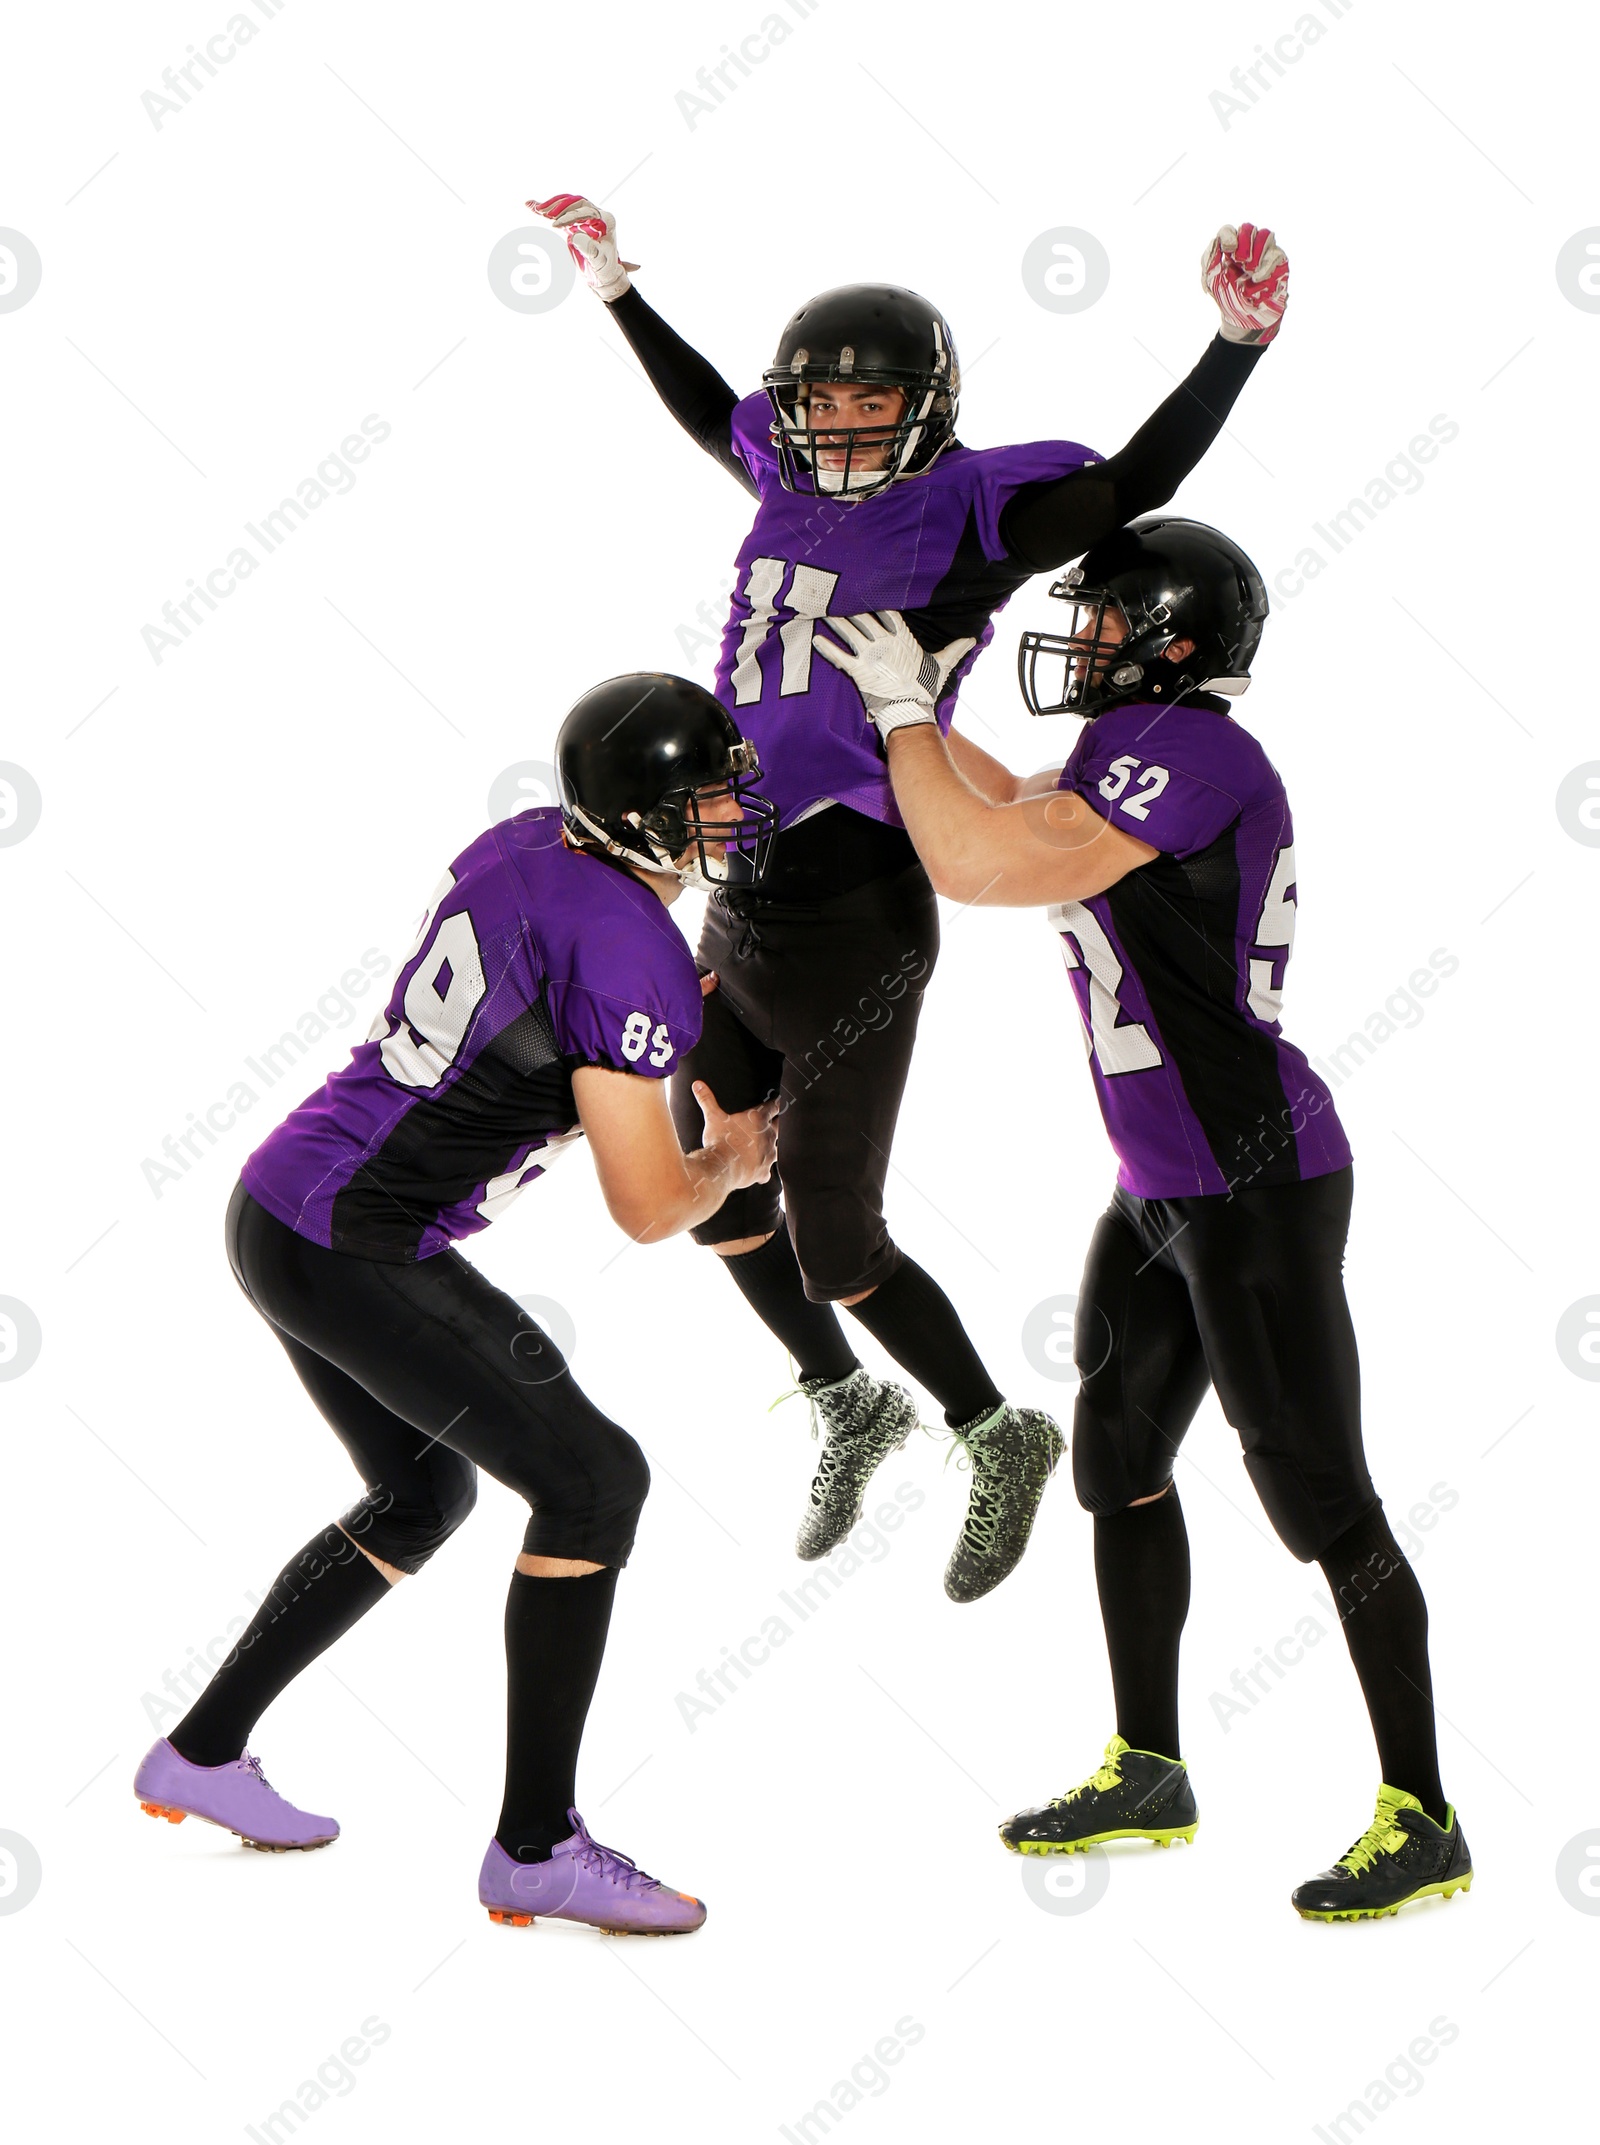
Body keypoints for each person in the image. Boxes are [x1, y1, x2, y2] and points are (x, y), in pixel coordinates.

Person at [527, 193, 1288, 1603]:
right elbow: (714, 415)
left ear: (927, 410)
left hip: (855, 901)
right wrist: (621, 295)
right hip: (741, 881)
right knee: (712, 1168)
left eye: (873, 402)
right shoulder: (784, 470)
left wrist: (1233, 349)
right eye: (823, 400)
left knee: (835, 1239)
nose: (844, 424)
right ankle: (845, 1397)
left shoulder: (967, 510)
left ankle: (991, 1429)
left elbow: (1123, 485)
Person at [813, 520, 1472, 1922]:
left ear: (1171, 630)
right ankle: (1150, 1767)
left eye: (1107, 617)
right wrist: (913, 719)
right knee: (1117, 1464)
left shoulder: (1193, 750)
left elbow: (988, 864)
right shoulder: (1136, 751)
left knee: (1319, 1496)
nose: (1085, 638)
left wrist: (904, 715)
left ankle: (1424, 1815)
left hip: (1252, 1183)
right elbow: (1000, 804)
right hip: (1164, 1182)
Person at [132, 675, 780, 1936]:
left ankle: (200, 1756)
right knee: (596, 1483)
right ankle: (535, 1847)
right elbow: (648, 1209)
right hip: (353, 1242)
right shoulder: (634, 946)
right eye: (704, 796)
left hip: (283, 1201)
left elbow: (545, 986)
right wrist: (735, 1160)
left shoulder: (527, 838)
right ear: (641, 814)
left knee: (423, 1493)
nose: (728, 814)